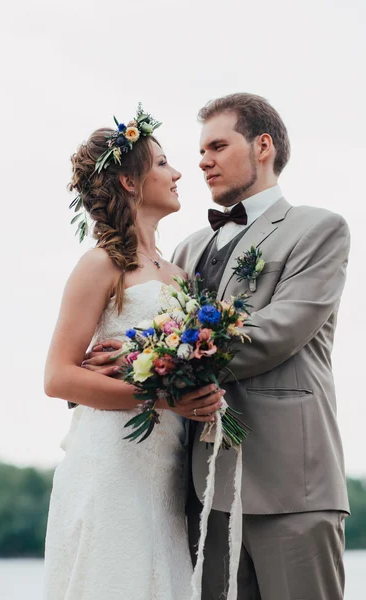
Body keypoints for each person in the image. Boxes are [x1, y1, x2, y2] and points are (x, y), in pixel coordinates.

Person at [90, 93, 350, 600]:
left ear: (264, 146)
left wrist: (145, 356)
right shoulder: (187, 249)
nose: (202, 160)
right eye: (199, 149)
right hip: (201, 493)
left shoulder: (319, 229)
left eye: (217, 145)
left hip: (291, 486)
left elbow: (277, 333)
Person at [43, 108, 224, 600]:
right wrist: (164, 400)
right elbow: (58, 378)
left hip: (166, 468)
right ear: (129, 180)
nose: (178, 172)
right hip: (110, 460)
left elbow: (193, 359)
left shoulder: (183, 277)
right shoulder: (100, 264)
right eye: (163, 163)